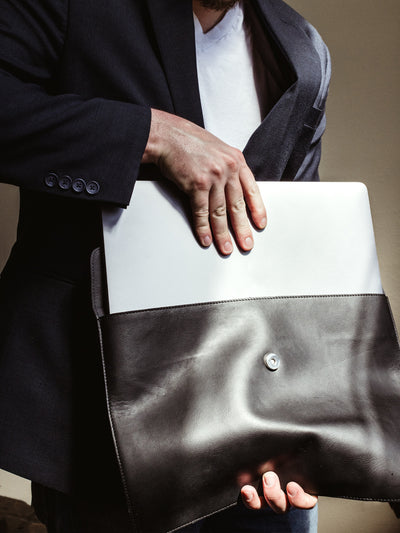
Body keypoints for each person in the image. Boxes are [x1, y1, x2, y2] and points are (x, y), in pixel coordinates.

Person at [0, 0, 330, 531]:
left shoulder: (304, 49)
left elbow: (288, 250)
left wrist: (300, 420)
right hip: (99, 422)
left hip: (257, 431)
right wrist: (151, 135)